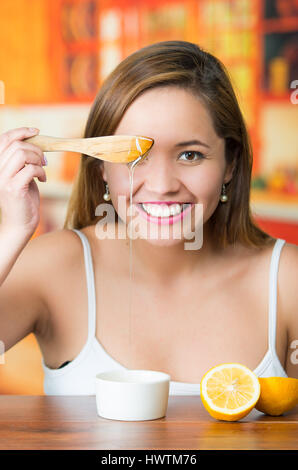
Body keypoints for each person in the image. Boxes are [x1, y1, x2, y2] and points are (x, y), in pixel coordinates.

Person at [0, 41, 297, 396]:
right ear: (101, 170)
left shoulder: (286, 281)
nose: (161, 186)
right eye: (133, 156)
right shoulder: (54, 268)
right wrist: (11, 231)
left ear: (230, 164)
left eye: (190, 154)